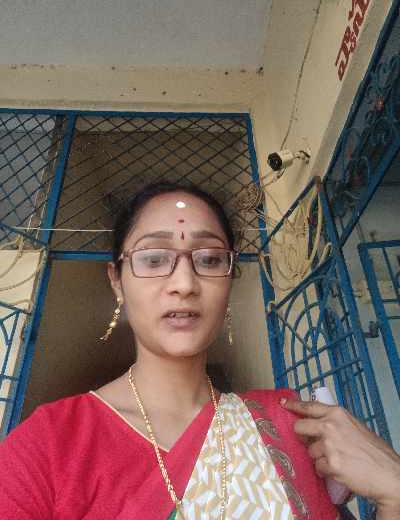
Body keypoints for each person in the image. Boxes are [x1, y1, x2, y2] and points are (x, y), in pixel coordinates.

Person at [0, 182, 399, 520]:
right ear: (117, 280)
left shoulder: (289, 427)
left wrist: (394, 491)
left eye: (208, 259)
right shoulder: (49, 444)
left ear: (229, 279)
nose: (185, 284)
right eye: (154, 259)